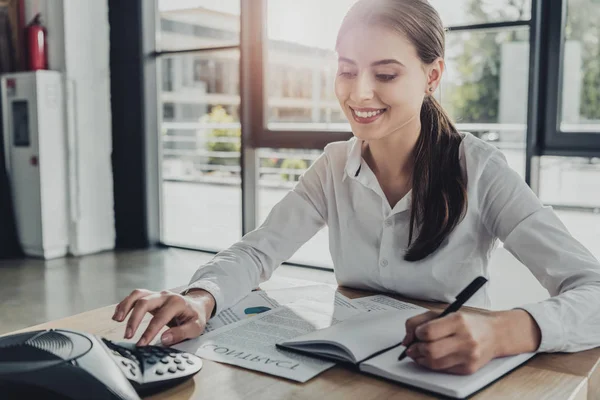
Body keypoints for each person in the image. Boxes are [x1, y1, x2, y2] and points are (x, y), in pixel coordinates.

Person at [112, 0, 600, 375]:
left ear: (433, 76)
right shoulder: (333, 165)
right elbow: (257, 251)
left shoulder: (481, 170)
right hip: (350, 371)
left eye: (385, 74)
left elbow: (594, 292)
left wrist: (506, 330)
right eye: (346, 70)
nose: (359, 92)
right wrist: (201, 297)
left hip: (445, 372)